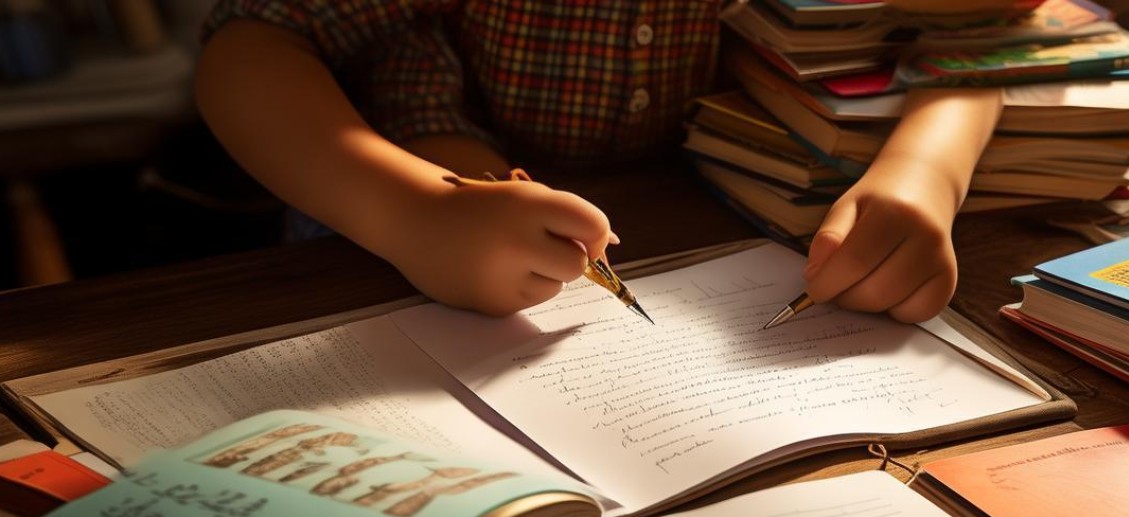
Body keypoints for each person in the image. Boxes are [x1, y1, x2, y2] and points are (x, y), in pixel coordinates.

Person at [194, 1, 1002, 322]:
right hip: (375, 208)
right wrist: (412, 211)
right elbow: (250, 44)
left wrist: (924, 172)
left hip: (712, 217)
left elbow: (987, 38)